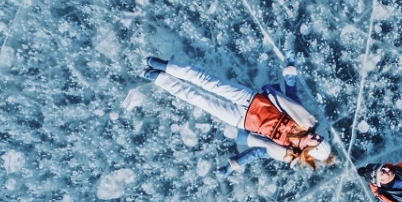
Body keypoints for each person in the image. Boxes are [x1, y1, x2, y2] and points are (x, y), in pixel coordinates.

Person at [142, 52, 335, 174]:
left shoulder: (287, 154)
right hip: (251, 100)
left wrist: (233, 165)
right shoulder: (306, 122)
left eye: (316, 141)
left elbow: (259, 152)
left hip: (241, 120)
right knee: (208, 81)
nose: (316, 136)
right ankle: (166, 65)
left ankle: (160, 78)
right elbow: (292, 96)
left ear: (310, 150)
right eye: (320, 137)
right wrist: (290, 67)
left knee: (197, 98)